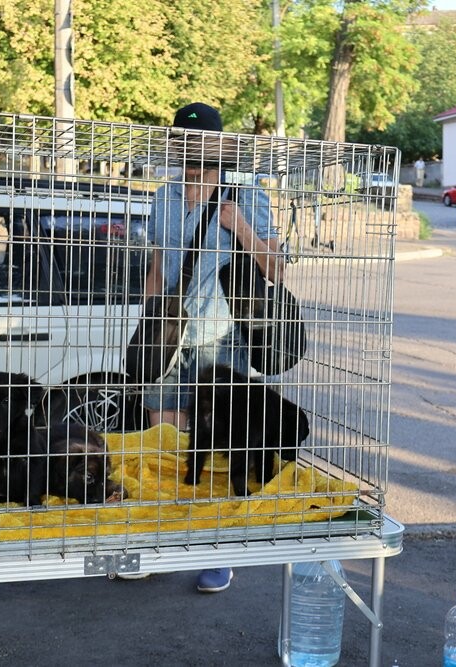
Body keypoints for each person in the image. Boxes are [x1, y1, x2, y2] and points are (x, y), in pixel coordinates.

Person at [142, 101, 284, 593]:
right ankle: (157, 541)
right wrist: (147, 321)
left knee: (219, 445)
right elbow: (158, 264)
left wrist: (238, 225)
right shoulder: (163, 198)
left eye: (204, 142)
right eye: (185, 141)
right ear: (175, 145)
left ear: (224, 147)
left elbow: (277, 269)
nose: (194, 149)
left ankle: (217, 550)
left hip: (224, 340)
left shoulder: (248, 195)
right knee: (160, 434)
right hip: (170, 336)